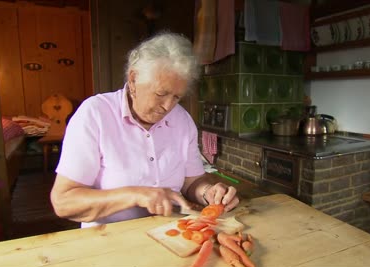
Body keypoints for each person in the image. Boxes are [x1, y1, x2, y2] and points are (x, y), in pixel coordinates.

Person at [50, 31, 240, 228]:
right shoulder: (95, 114)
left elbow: (191, 181)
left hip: (169, 234)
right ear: (133, 80)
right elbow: (64, 203)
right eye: (161, 93)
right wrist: (137, 194)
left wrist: (208, 192)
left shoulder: (182, 120)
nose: (168, 106)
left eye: (176, 97)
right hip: (108, 241)